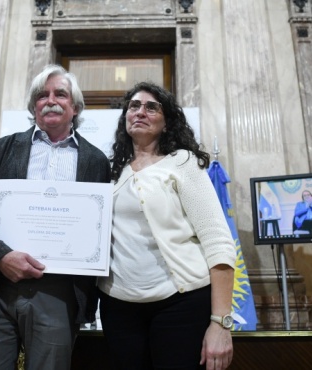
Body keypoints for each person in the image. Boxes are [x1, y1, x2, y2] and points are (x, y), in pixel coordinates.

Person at [0, 64, 111, 370]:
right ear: (33, 106)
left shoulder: (96, 162)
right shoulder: (1, 151)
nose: (50, 100)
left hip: (59, 295)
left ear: (74, 107)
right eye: (41, 95)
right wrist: (0, 256)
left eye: (60, 94)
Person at [97, 82, 236, 370]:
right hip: (118, 308)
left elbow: (218, 242)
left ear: (166, 121)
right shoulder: (108, 170)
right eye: (134, 106)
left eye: (151, 107)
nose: (140, 112)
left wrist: (221, 323)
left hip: (181, 306)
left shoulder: (182, 162)